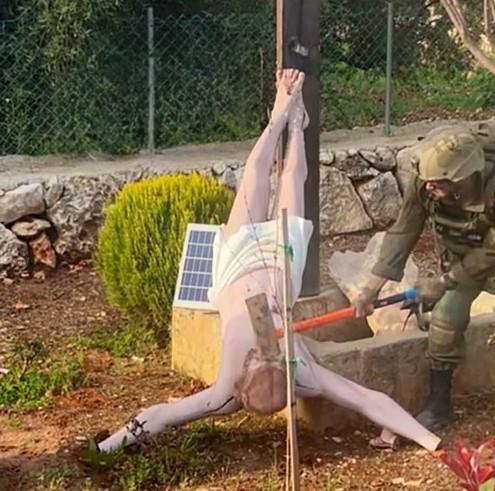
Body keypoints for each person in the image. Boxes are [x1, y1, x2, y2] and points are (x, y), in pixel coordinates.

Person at [91, 69, 441, 454]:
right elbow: (367, 399)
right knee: (290, 179)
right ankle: (293, 123)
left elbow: (159, 415)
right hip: (279, 263)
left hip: (235, 266)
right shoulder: (301, 376)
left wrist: (106, 447)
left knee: (256, 178)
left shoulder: (230, 392)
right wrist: (430, 441)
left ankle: (281, 117)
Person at [353, 124, 495, 433]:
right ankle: (439, 406)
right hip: (470, 242)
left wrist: (443, 281)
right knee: (446, 315)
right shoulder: (425, 181)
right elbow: (403, 231)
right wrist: (371, 289)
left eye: (437, 182)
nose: (428, 186)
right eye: (427, 180)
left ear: (462, 177)